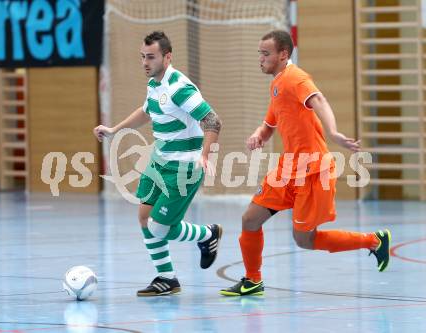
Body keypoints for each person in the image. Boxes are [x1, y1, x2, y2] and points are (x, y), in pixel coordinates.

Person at [220, 30, 391, 297]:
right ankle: (253, 280)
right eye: (260, 54)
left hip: (313, 170)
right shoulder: (276, 83)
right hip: (288, 169)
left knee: (304, 240)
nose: (261, 59)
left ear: (283, 54)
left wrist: (333, 133)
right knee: (250, 220)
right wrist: (258, 135)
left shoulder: (295, 78)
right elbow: (270, 123)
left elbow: (319, 100)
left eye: (266, 54)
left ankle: (373, 241)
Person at [94, 31, 223, 296]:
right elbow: (146, 111)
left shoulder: (179, 88)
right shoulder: (155, 83)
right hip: (159, 162)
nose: (145, 62)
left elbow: (212, 121)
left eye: (150, 57)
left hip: (182, 169)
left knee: (158, 227)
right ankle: (167, 278)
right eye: (142, 57)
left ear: (167, 57)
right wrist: (114, 129)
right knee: (144, 217)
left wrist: (205, 154)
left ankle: (206, 234)